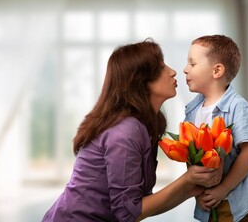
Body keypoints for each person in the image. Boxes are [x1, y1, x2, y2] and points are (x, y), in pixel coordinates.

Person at [42, 39, 222, 222]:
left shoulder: (146, 124)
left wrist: (191, 189)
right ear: (141, 81)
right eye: (161, 68)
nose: (173, 71)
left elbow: (141, 205)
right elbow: (128, 213)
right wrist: (187, 180)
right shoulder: (125, 132)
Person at [183, 34, 248, 222]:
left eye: (192, 64)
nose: (185, 69)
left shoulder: (239, 107)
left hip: (244, 207)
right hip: (210, 206)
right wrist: (198, 191)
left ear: (217, 71)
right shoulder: (192, 111)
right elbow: (191, 156)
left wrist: (223, 188)